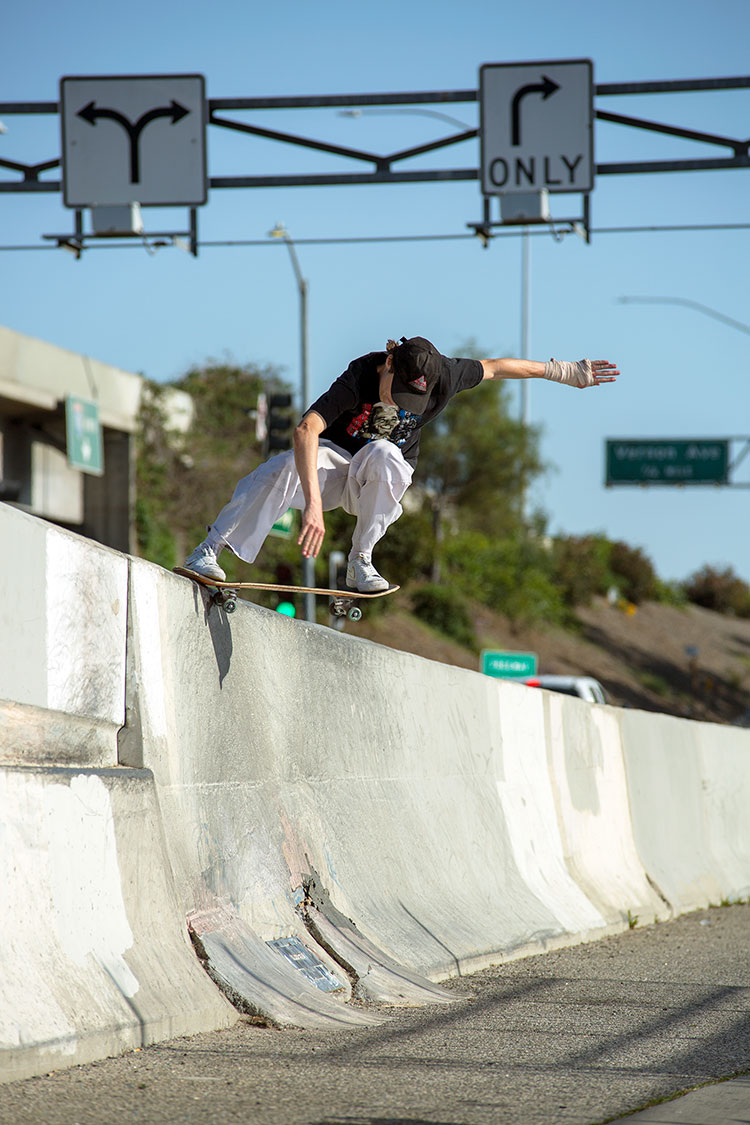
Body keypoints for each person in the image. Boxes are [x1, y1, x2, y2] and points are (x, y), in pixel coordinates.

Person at [184, 336, 618, 592]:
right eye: (395, 390)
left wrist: (564, 372)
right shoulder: (360, 374)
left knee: (387, 454)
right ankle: (208, 551)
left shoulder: (446, 373)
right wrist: (313, 507)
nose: (400, 402)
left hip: (375, 481)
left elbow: (498, 367)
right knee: (281, 467)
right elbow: (305, 431)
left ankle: (361, 560)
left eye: (414, 399)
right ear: (389, 363)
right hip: (334, 469)